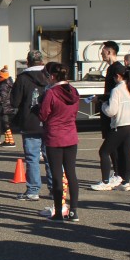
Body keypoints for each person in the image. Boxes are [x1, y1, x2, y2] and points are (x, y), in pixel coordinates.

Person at [92, 62, 130, 192]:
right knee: (127, 153)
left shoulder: (117, 90)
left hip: (122, 124)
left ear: (118, 76)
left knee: (104, 151)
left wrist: (102, 104)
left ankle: (105, 182)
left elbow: (111, 111)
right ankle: (125, 182)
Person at [38, 63, 81, 221]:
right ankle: (73, 211)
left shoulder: (51, 93)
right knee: (71, 173)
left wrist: (37, 109)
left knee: (56, 175)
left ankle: (58, 212)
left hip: (55, 136)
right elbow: (75, 112)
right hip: (71, 135)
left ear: (52, 76)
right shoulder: (74, 91)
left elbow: (43, 115)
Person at [11, 50, 52, 201]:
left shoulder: (22, 78)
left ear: (28, 61)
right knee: (51, 157)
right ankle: (55, 189)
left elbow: (14, 101)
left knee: (32, 157)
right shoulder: (49, 76)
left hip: (29, 121)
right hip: (49, 121)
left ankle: (33, 190)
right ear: (42, 61)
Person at [95, 40, 122, 188]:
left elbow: (115, 92)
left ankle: (117, 175)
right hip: (110, 109)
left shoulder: (117, 68)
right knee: (112, 146)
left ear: (110, 52)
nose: (101, 53)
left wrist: (101, 98)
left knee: (111, 147)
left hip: (113, 112)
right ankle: (118, 175)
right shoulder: (111, 68)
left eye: (103, 51)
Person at [0, 67, 17, 147]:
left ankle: (11, 141)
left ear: (2, 76)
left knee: (5, 124)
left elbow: (2, 96)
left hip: (5, 106)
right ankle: (7, 141)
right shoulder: (9, 82)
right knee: (5, 123)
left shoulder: (3, 85)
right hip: (9, 106)